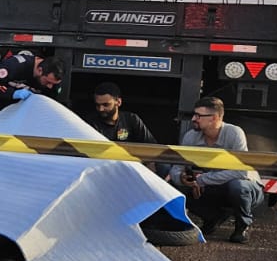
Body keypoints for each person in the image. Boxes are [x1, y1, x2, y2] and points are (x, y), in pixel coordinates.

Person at [167, 97, 266, 243]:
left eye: (198, 116)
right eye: (194, 114)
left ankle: (242, 226)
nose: (193, 119)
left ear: (214, 118)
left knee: (237, 187)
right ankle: (212, 217)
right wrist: (181, 178)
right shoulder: (190, 137)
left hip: (245, 184)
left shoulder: (234, 133)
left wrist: (201, 180)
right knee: (174, 187)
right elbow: (177, 167)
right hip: (213, 184)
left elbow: (240, 172)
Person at [0, 51, 65, 128]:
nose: (50, 86)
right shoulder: (15, 65)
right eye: (48, 82)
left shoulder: (52, 78)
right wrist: (12, 93)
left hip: (16, 113)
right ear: (40, 70)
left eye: (53, 84)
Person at [86, 82, 158, 144]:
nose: (101, 109)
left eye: (106, 105)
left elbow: (152, 146)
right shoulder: (90, 123)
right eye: (97, 105)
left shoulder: (131, 119)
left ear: (118, 102)